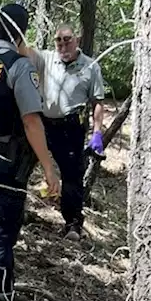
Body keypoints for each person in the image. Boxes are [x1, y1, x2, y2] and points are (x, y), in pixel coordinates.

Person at [0, 2, 60, 299]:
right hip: (7, 164)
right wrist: (48, 167)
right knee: (2, 230)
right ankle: (0, 296)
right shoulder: (19, 66)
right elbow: (31, 120)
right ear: (21, 33)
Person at [27, 24, 106, 239]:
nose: (63, 44)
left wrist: (97, 132)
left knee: (71, 176)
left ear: (77, 40)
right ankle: (14, 208)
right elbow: (23, 51)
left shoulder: (90, 67)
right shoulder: (46, 58)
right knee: (22, 164)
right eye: (58, 40)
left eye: (67, 39)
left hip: (70, 128)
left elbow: (98, 101)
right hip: (42, 124)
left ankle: (72, 223)